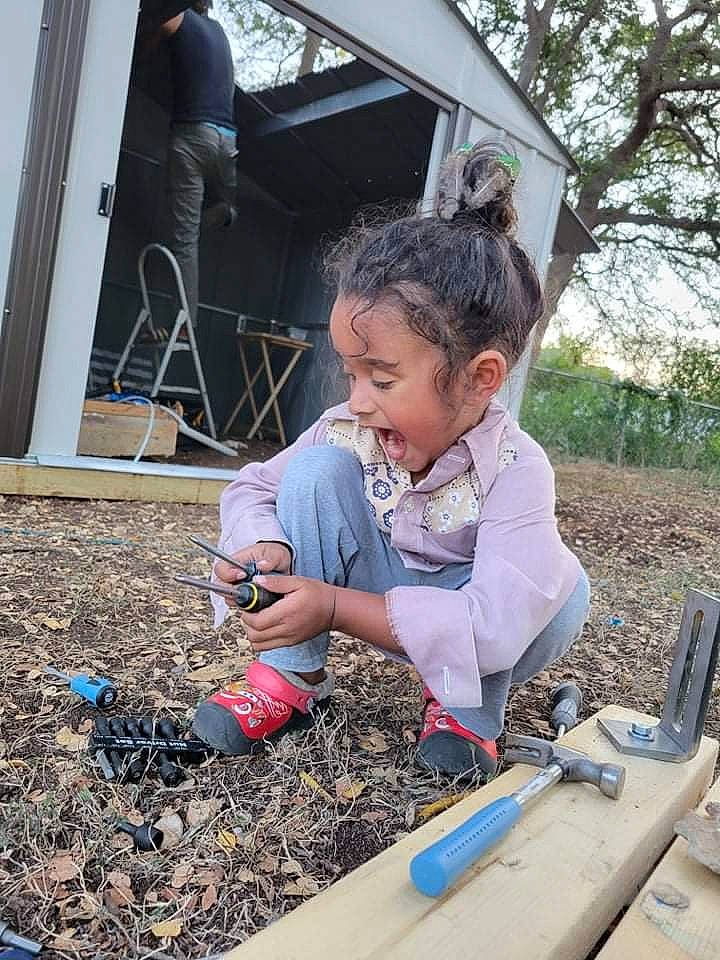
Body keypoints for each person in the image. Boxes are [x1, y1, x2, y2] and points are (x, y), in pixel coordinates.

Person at [191, 140, 590, 780]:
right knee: (315, 471)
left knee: (564, 590)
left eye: (381, 379)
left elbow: (493, 624)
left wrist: (330, 604)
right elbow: (251, 489)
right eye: (350, 373)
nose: (358, 402)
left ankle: (466, 712)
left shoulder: (515, 468)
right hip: (388, 589)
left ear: (480, 377)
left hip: (482, 622)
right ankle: (289, 683)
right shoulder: (349, 428)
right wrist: (265, 548)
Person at [160, 0, 237, 326]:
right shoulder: (220, 32)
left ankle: (183, 324)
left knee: (184, 242)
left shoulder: (180, 18)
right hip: (228, 144)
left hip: (193, 138)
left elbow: (155, 17)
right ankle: (223, 214)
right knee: (226, 209)